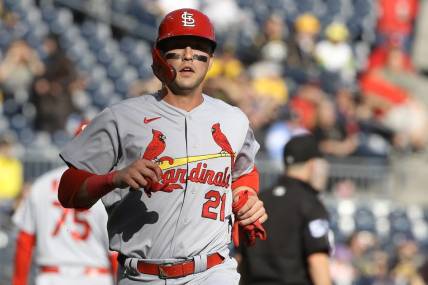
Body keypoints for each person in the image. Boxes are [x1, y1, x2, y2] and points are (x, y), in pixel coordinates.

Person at [57, 8, 267, 285]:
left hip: (213, 271)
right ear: (158, 55)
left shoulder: (234, 119)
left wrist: (246, 195)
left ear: (211, 59)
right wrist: (114, 178)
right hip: (141, 274)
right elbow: (68, 190)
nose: (189, 55)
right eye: (178, 47)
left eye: (200, 48)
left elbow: (243, 172)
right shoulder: (121, 117)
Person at [12, 124, 117, 285]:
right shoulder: (107, 187)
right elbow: (115, 251)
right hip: (96, 277)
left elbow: (25, 241)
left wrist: (18, 283)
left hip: (51, 277)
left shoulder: (41, 184)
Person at [240, 134, 332, 285]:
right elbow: (317, 259)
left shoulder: (259, 200)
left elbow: (240, 258)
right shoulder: (310, 203)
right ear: (313, 164)